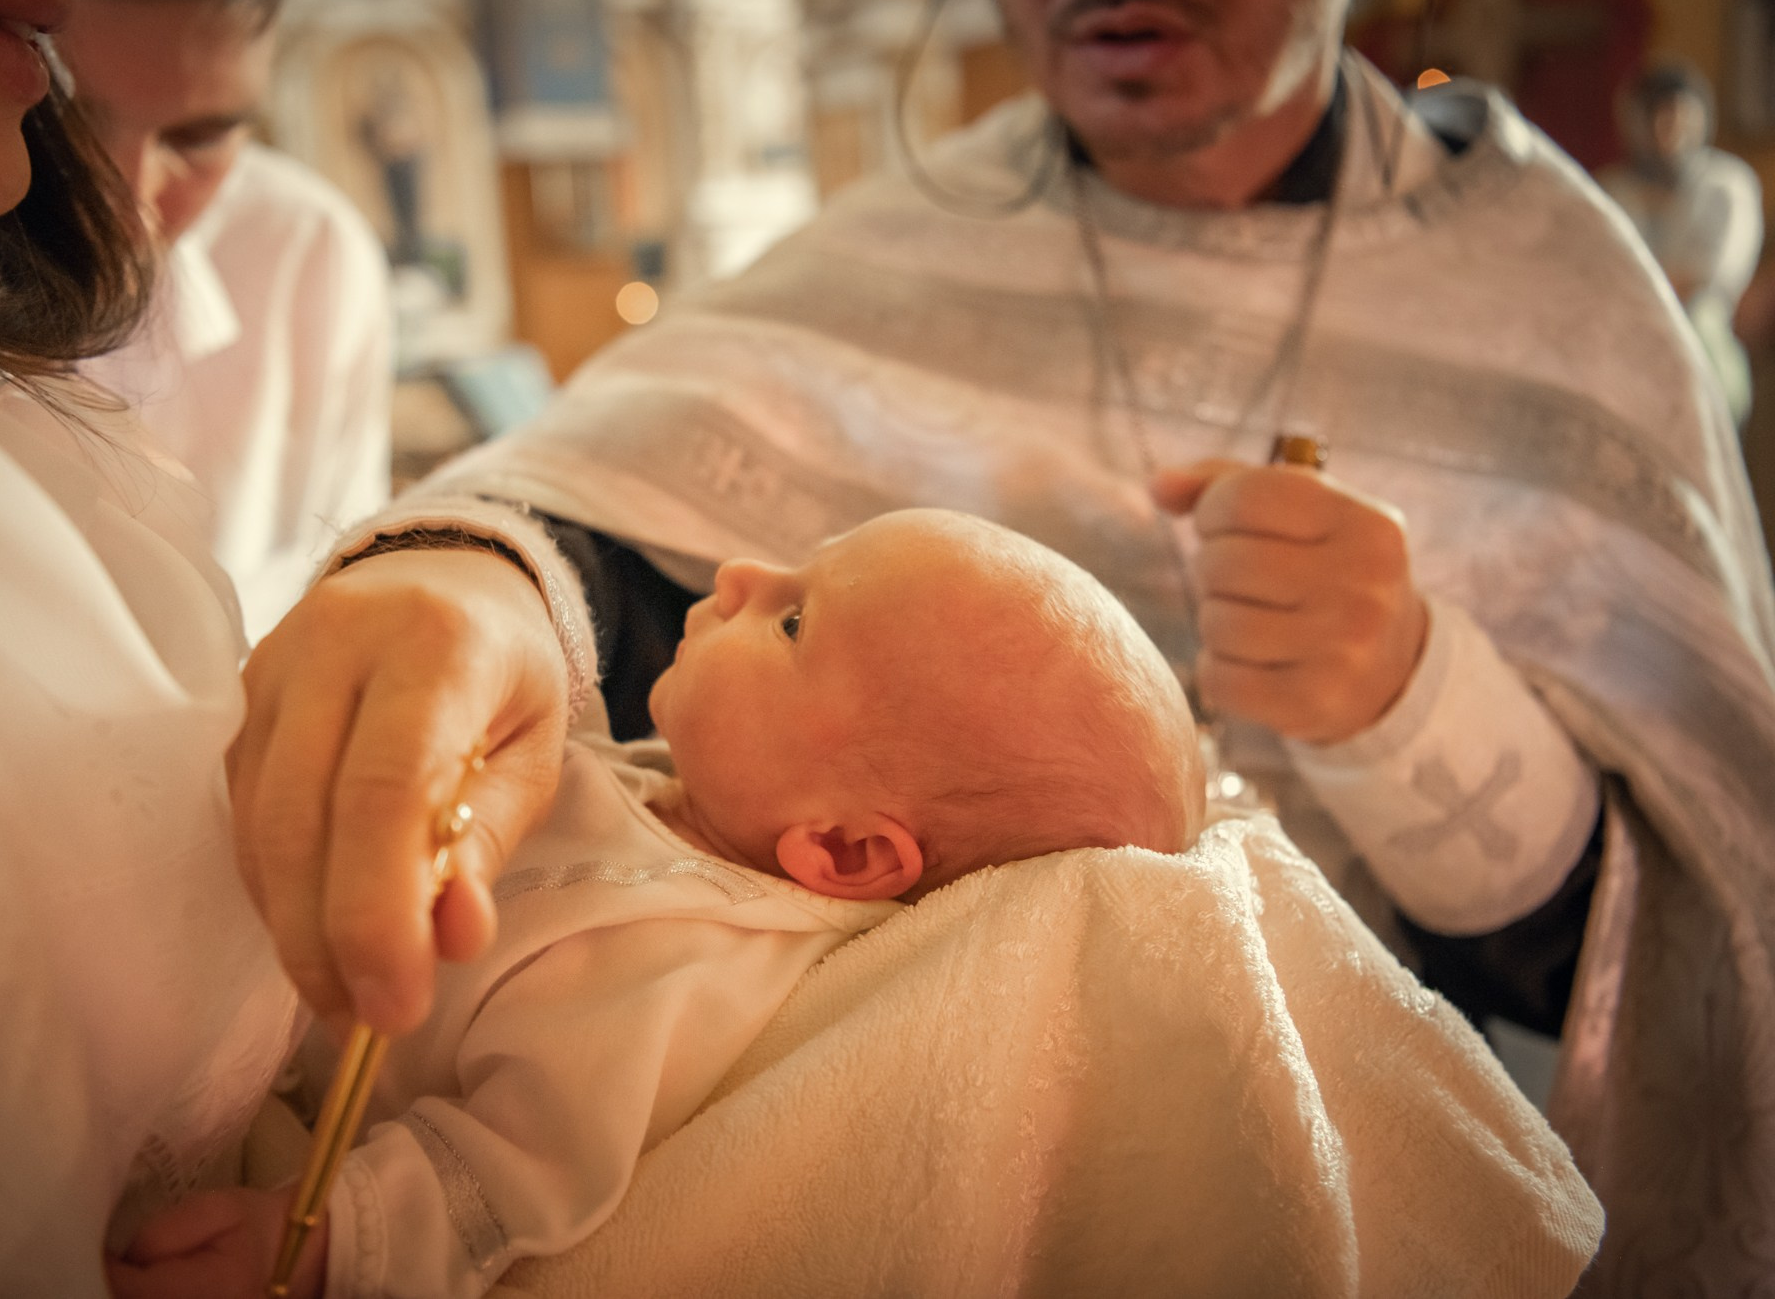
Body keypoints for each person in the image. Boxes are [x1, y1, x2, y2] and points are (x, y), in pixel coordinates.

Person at [227, 0, 1775, 1290]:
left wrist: (1417, 708)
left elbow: (1702, 946)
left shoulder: (1556, 290)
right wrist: (475, 580)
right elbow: (607, 533)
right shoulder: (900, 245)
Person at [110, 511, 1597, 1299]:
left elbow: (509, 1181)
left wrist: (324, 1245)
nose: (740, 570)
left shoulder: (688, 972)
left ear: (843, 856)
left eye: (798, 616)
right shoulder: (648, 783)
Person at [0, 0, 434, 1290]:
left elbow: (320, 577)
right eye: (91, 110)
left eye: (203, 136)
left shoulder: (308, 261)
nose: (132, 188)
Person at [60, 0, 394, 641]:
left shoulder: (312, 251)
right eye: (73, 127)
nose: (128, 207)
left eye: (199, 138)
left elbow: (343, 563)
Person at [1597, 57, 1764, 425]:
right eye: (1661, 116)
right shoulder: (1614, 189)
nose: (1673, 129)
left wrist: (1650, 286)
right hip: (1625, 345)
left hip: (1703, 349)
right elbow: (1601, 267)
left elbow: (1711, 274)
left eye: (1683, 116)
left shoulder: (1727, 185)